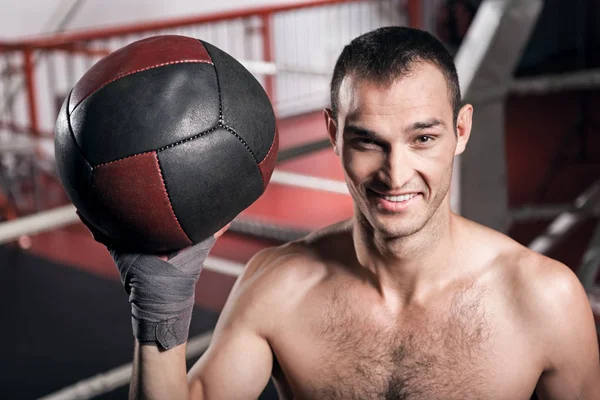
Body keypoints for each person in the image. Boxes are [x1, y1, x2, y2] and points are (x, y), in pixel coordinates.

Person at [92, 27, 600, 399]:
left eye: (423, 139)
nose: (396, 174)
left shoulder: (544, 300)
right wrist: (160, 306)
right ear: (333, 133)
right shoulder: (279, 287)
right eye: (368, 142)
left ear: (461, 132)